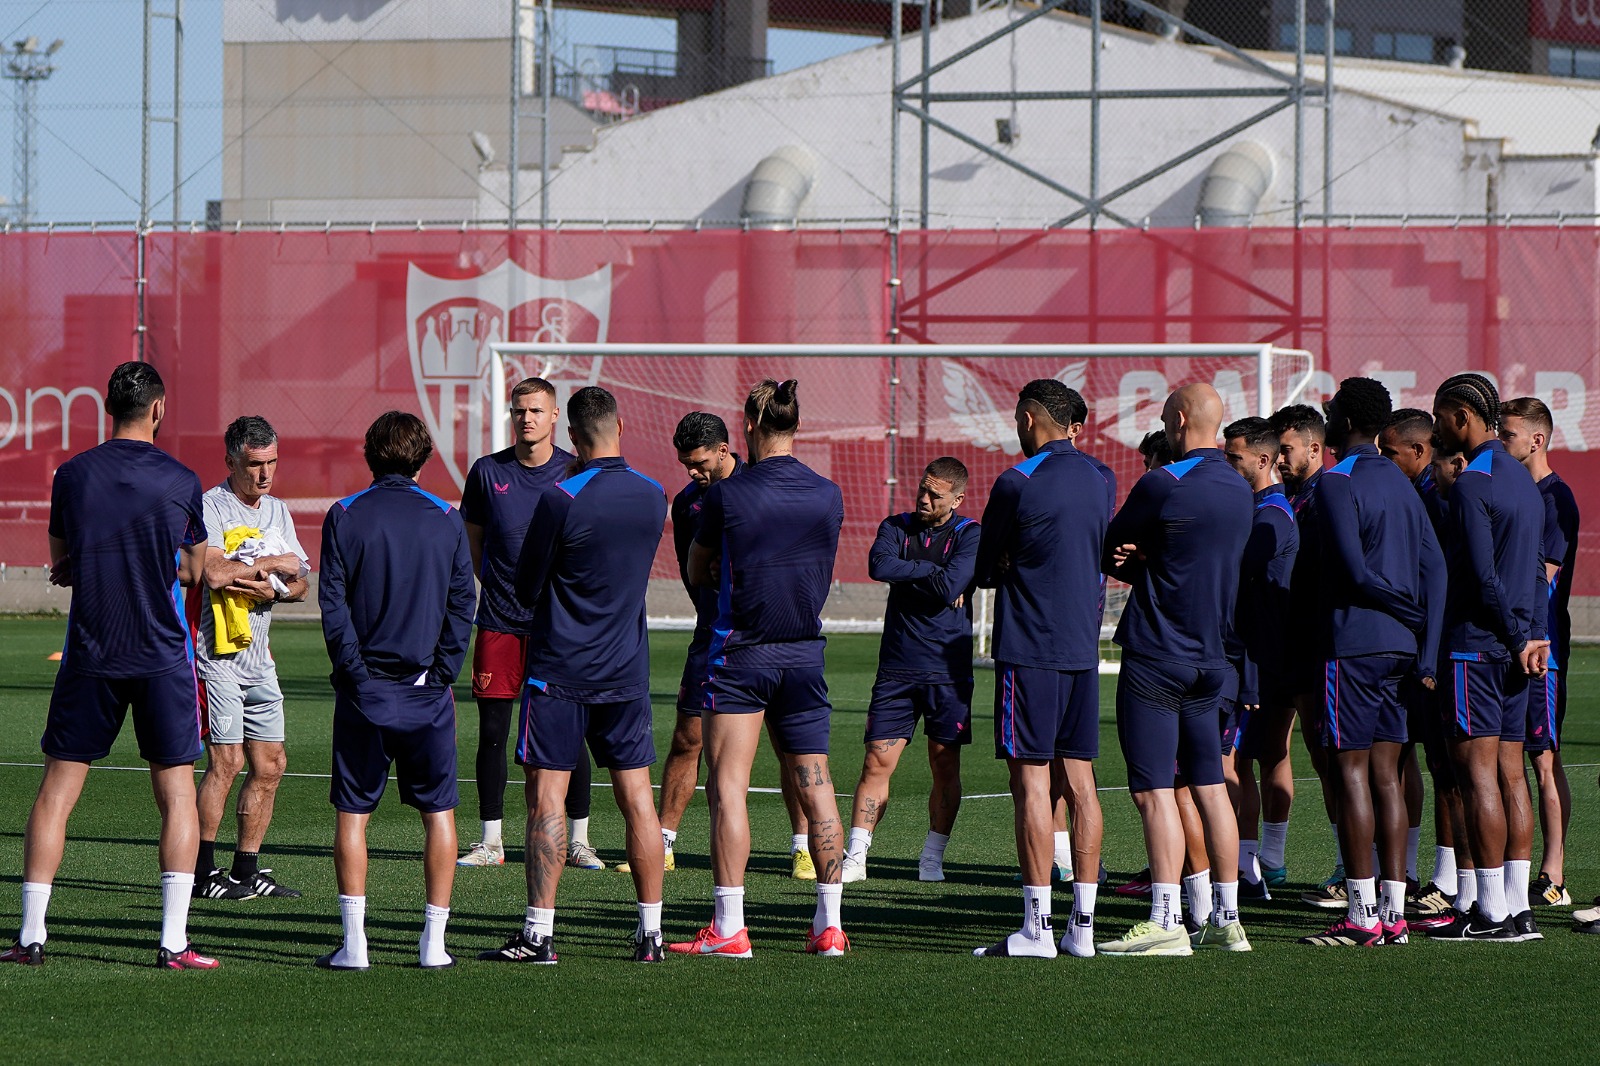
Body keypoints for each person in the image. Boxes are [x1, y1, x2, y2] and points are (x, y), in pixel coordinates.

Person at [3, 362, 215, 970]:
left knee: (55, 794)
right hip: (159, 656)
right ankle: (172, 942)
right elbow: (196, 569)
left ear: (107, 408)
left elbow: (60, 562)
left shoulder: (71, 475)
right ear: (158, 409)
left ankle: (31, 936)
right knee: (176, 794)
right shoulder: (181, 478)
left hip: (91, 652)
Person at [479, 386, 669, 964]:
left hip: (559, 670)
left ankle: (538, 934)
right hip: (626, 670)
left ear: (575, 437)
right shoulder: (653, 494)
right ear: (618, 427)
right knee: (638, 799)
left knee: (547, 800)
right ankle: (651, 934)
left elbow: (526, 585)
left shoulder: (561, 498)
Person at [669, 378, 849, 958]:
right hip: (804, 653)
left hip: (740, 653)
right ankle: (829, 927)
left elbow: (697, 570)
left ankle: (729, 929)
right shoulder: (829, 493)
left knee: (728, 789)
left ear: (746, 426)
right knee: (817, 787)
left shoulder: (728, 496)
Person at [619, 413, 816, 880]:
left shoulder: (758, 488)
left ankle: (802, 846)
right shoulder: (688, 502)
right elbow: (694, 570)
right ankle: (663, 842)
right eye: (686, 463)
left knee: (788, 745)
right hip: (712, 635)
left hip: (767, 637)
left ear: (726, 450)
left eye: (700, 462)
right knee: (687, 737)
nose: (693, 472)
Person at [315, 411, 474, 970]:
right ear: (424, 456)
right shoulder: (445, 518)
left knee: (354, 814)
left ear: (368, 453)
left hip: (368, 694)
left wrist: (357, 675)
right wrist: (442, 672)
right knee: (439, 814)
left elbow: (332, 607)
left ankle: (355, 945)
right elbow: (463, 606)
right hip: (425, 693)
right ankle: (433, 944)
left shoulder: (345, 515)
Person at [1099, 384, 1252, 957]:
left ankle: (1167, 917)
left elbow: (1111, 545)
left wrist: (1141, 558)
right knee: (1212, 787)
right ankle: (1227, 919)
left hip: (1158, 654)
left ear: (1180, 419)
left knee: (1156, 790)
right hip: (1214, 659)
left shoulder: (1164, 480)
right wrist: (1153, 559)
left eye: (1165, 418)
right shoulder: (1240, 490)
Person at [1296, 379, 1444, 948]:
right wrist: (1422, 641)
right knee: (1388, 775)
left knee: (1350, 773)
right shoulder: (1404, 482)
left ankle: (1361, 917)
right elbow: (1437, 570)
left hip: (1353, 644)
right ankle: (1395, 913)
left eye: (1332, 412)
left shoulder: (1337, 480)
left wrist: (1395, 603)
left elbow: (1356, 573)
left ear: (1347, 420)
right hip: (1401, 650)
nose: (1326, 418)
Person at [972, 380, 1112, 959]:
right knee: (1080, 783)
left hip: (1029, 650)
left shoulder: (1016, 481)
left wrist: (1006, 560)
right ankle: (1082, 928)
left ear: (1030, 418)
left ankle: (1036, 929)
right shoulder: (1102, 477)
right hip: (1083, 649)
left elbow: (983, 567)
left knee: (1031, 783)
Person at [456, 378, 601, 872]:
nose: (527, 419)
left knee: (568, 732)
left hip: (558, 628)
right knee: (493, 732)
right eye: (519, 411)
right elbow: (472, 546)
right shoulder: (486, 472)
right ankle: (491, 841)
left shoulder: (574, 470)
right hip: (498, 622)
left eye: (536, 410)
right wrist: (501, 587)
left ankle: (578, 839)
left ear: (556, 415)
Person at [1428, 374, 1549, 943]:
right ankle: (1516, 909)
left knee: (1478, 779)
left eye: (1439, 415)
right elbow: (1534, 572)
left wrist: (1511, 633)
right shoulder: (1524, 480)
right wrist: (1534, 637)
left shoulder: (1473, 483)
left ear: (1461, 416)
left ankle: (1493, 913)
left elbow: (1482, 576)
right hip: (1517, 648)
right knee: (1511, 776)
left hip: (1477, 647)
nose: (1435, 427)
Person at [842, 457, 980, 884]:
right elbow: (878, 566)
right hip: (897, 669)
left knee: (944, 767)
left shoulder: (970, 534)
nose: (923, 498)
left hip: (947, 672)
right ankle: (856, 857)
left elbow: (950, 588)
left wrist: (928, 578)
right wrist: (935, 571)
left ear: (956, 498)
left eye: (934, 495)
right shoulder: (895, 526)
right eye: (921, 489)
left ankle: (931, 860)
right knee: (875, 763)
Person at [190, 416, 310, 903]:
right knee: (226, 762)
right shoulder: (210, 506)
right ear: (231, 462)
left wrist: (273, 586)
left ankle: (245, 871)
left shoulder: (278, 510)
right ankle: (199, 872)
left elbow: (301, 582)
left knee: (271, 763)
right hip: (218, 654)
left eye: (271, 463)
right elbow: (214, 574)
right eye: (254, 464)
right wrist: (268, 565)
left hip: (260, 656)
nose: (264, 475)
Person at [1378, 409, 1466, 922]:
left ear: (1419, 451)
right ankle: (1407, 872)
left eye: (1392, 453)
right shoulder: (1415, 494)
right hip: (1413, 647)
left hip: (1439, 648)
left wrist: (1428, 641)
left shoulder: (1443, 496)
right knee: (1411, 759)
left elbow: (1440, 577)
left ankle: (1453, 879)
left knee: (1451, 767)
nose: (1387, 462)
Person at [1499, 396, 1579, 907]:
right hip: (1510, 642)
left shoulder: (1555, 498)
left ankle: (1554, 870)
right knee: (1512, 758)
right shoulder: (1509, 493)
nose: (1502, 444)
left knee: (1543, 759)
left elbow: (1541, 579)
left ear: (1537, 439)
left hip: (1541, 648)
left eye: (1508, 435)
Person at [1220, 416, 1298, 902]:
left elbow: (1239, 583)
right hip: (1264, 658)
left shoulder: (1269, 516)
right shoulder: (1266, 509)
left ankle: (1245, 870)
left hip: (1257, 661)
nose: (1227, 465)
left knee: (1232, 764)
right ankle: (1259, 862)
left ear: (1263, 460)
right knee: (1255, 758)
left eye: (1235, 458)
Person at [1269, 403, 1341, 905]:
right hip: (1276, 643)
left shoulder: (1330, 495)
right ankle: (1267, 859)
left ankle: (1351, 865)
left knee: (1330, 758)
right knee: (1266, 750)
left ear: (1315, 448)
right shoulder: (1281, 496)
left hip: (1316, 647)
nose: (1279, 459)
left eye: (1287, 450)